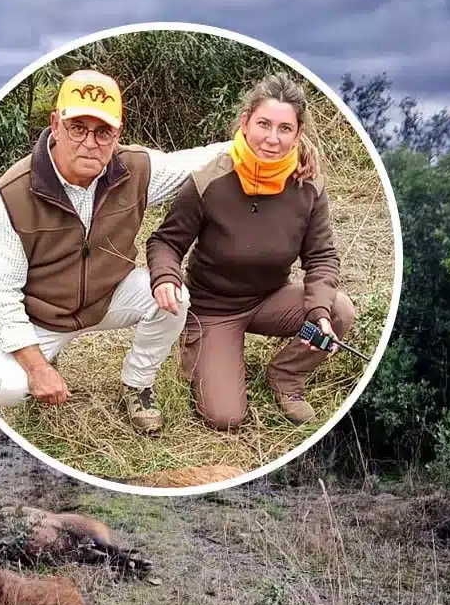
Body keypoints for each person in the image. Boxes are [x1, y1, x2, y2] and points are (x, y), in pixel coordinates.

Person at [0, 69, 234, 435]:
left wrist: (262, 143)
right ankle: (47, 359)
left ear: (118, 133)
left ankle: (137, 384)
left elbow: (196, 161)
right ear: (55, 124)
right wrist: (36, 366)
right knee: (5, 388)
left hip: (108, 295)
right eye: (77, 128)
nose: (90, 142)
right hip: (41, 314)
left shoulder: (135, 169)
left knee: (174, 297)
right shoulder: (14, 192)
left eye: (102, 132)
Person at [146, 71, 355, 430]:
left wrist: (317, 310)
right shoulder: (208, 180)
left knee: (339, 310)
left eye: (285, 129)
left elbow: (321, 256)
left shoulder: (308, 187)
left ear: (298, 133)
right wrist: (165, 277)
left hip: (270, 299)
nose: (272, 139)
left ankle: (286, 376)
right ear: (245, 122)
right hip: (213, 308)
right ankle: (199, 345)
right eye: (264, 124)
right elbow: (164, 241)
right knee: (225, 418)